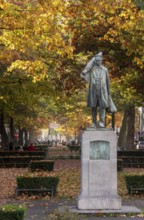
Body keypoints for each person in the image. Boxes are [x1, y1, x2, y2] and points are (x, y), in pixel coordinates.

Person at [81, 52, 117, 128]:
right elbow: (84, 76)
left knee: (102, 107)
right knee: (93, 107)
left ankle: (101, 122)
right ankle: (93, 123)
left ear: (101, 61)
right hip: (93, 91)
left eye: (99, 60)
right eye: (96, 60)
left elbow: (108, 82)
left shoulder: (105, 70)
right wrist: (91, 61)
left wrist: (108, 93)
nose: (98, 62)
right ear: (95, 61)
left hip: (103, 91)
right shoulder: (91, 70)